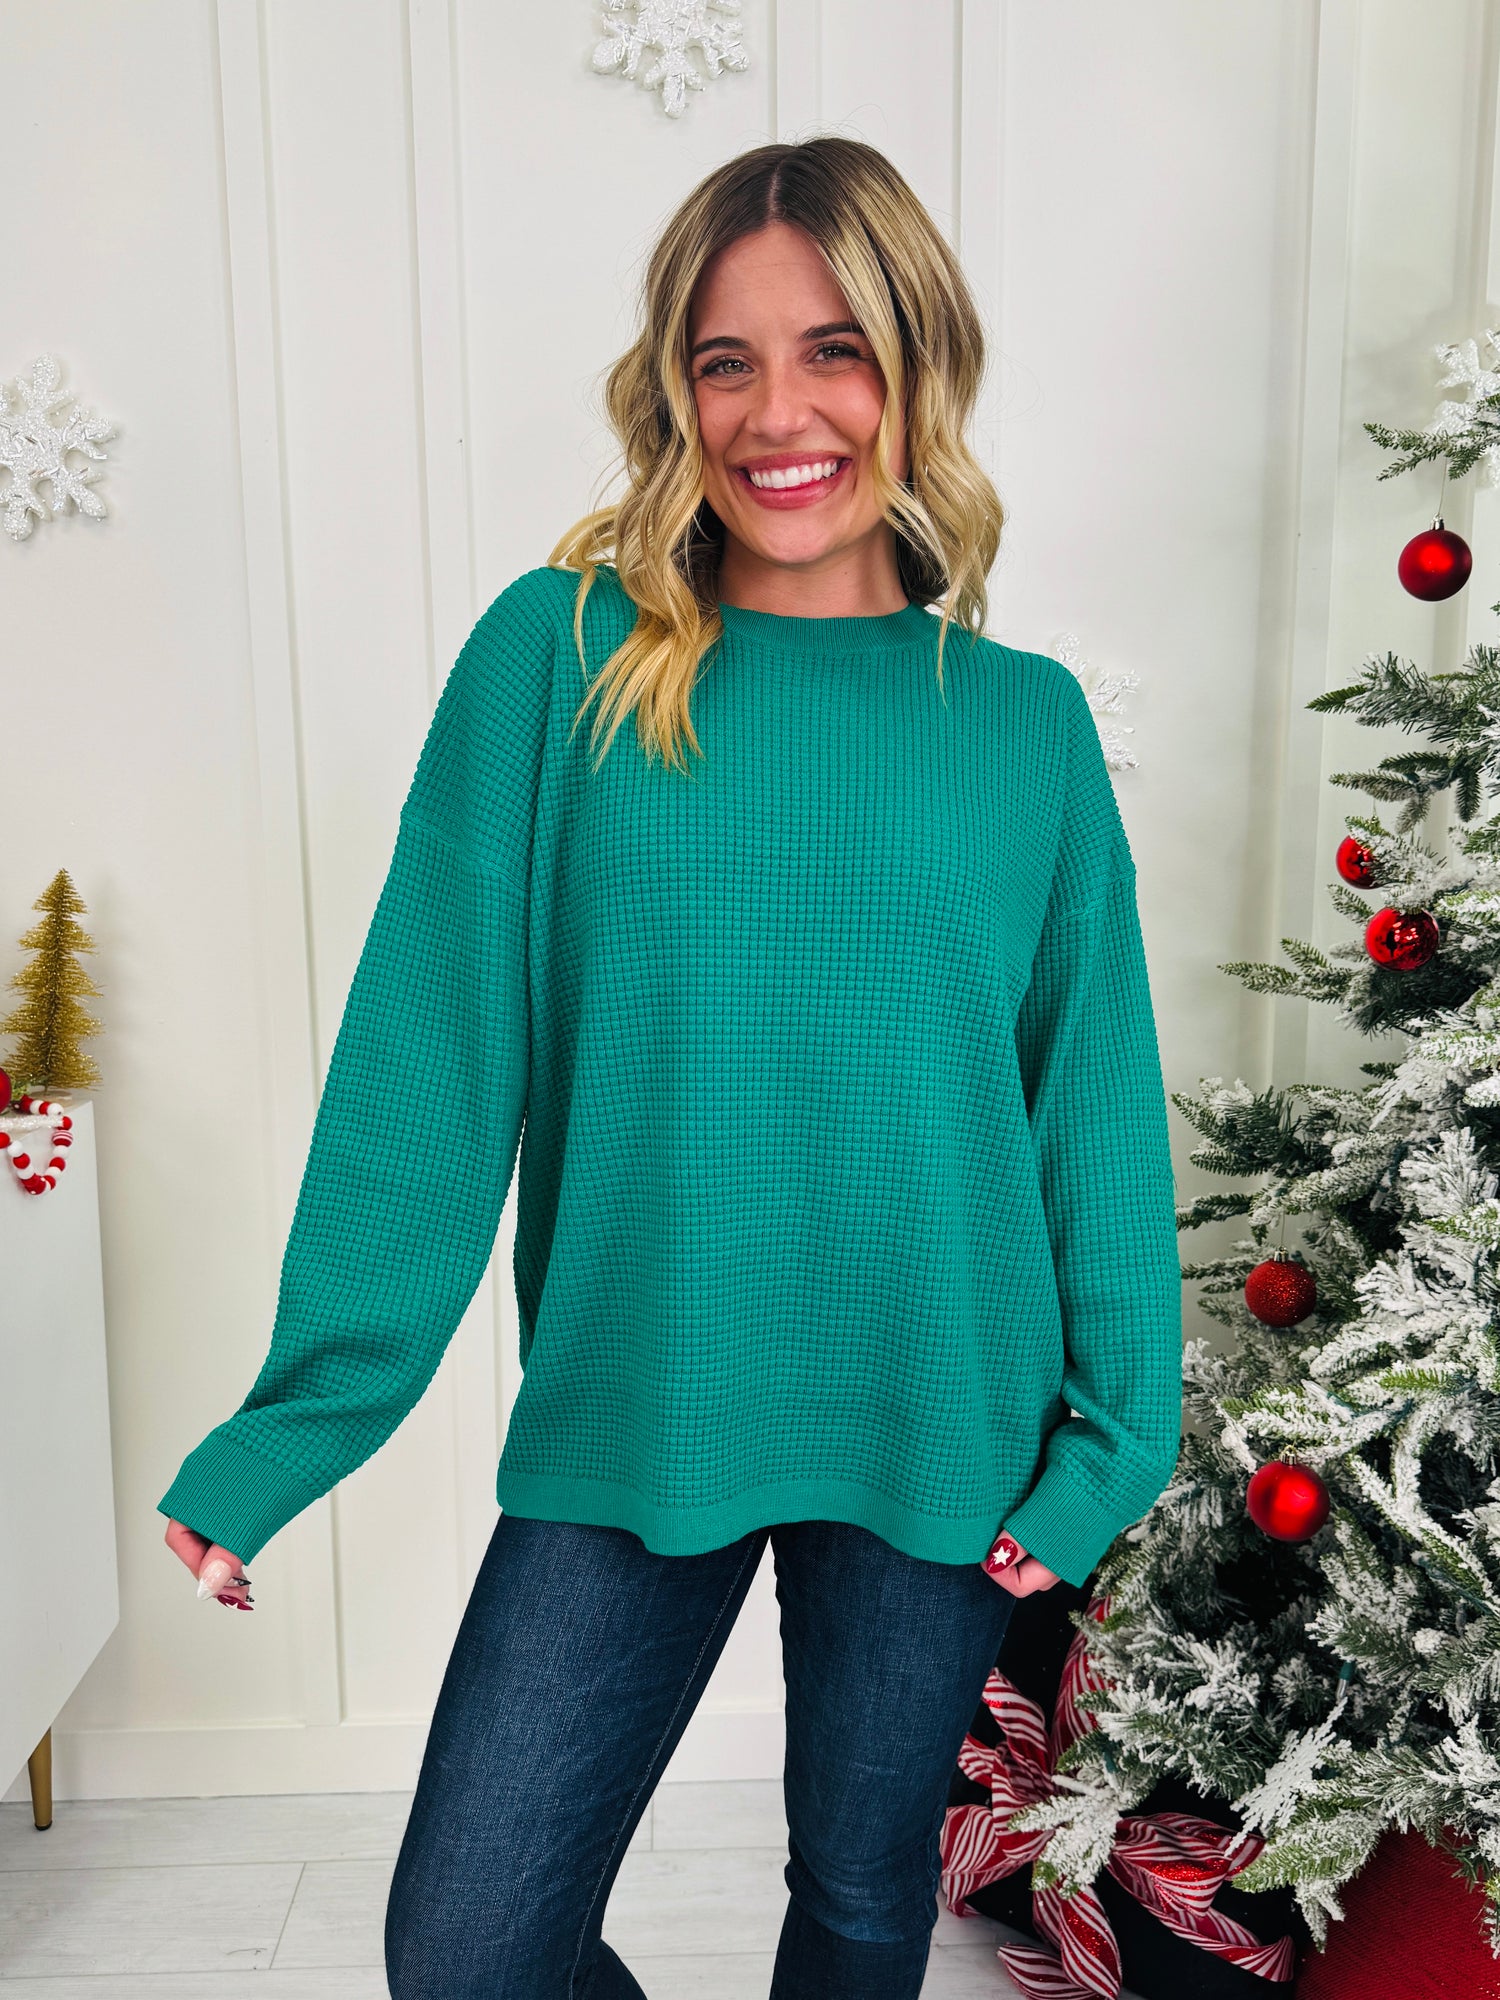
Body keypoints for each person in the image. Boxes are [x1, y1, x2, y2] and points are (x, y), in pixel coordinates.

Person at [158, 135, 1183, 1998]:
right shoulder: (560, 661)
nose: (778, 414)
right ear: (675, 390)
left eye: (835, 350)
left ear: (916, 368)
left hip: (942, 1414)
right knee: (471, 1948)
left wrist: (1113, 1444)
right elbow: (427, 1059)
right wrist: (296, 1422)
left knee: (860, 1904)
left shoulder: (1021, 725)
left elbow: (1088, 1105)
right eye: (728, 361)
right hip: (645, 1390)